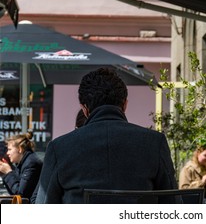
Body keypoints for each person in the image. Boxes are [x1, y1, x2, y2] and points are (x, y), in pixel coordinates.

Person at [35, 67, 177, 203]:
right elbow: (173, 204)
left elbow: (43, 209)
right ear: (125, 104)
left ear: (84, 109)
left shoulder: (59, 148)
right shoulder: (154, 143)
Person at [0, 131, 42, 201]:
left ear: (20, 149)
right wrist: (4, 174)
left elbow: (20, 194)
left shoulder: (31, 163)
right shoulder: (21, 163)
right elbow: (13, 193)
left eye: (10, 149)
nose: (7, 153)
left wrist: (8, 172)